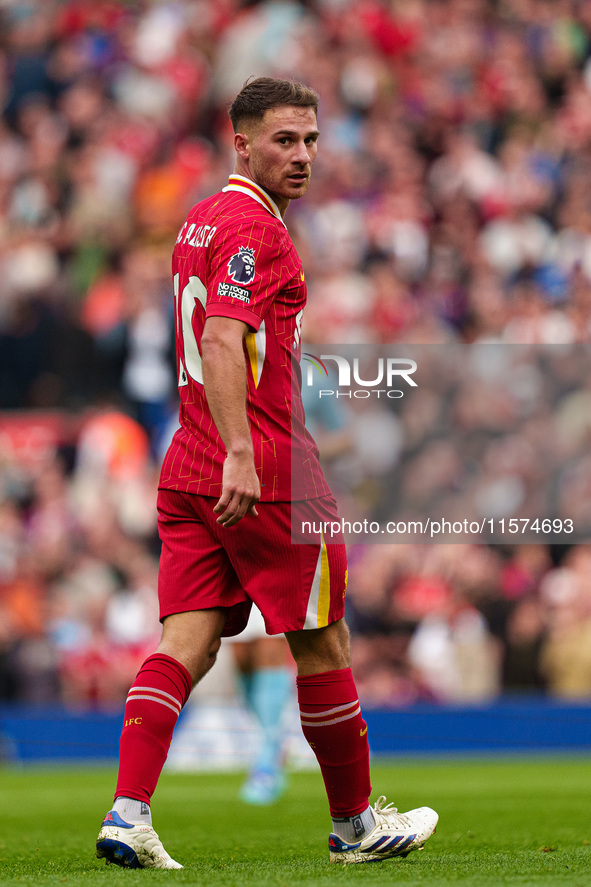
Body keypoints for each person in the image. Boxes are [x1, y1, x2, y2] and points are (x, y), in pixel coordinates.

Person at [95, 77, 438, 870]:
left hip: (186, 462)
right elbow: (222, 339)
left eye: (312, 140)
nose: (303, 155)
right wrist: (244, 450)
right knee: (322, 639)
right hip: (266, 466)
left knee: (186, 638)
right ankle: (355, 825)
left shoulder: (200, 220)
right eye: (284, 140)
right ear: (241, 141)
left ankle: (128, 811)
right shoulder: (259, 232)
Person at [225, 605, 293, 805]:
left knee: (270, 641)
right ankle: (274, 747)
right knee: (241, 657)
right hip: (233, 576)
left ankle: (266, 761)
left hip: (271, 575)